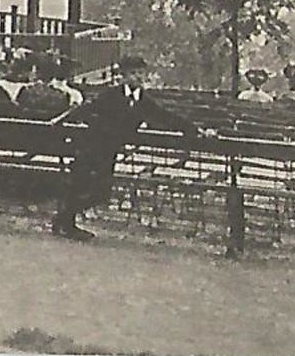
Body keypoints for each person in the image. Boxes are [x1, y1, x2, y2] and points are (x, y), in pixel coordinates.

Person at [50, 55, 206, 241]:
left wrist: (194, 129)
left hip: (110, 151)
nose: (138, 77)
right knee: (82, 185)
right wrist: (61, 121)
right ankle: (66, 223)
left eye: (141, 73)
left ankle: (63, 219)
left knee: (102, 192)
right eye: (133, 74)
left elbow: (166, 116)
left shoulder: (143, 100)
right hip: (91, 147)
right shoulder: (111, 94)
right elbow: (87, 108)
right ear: (123, 76)